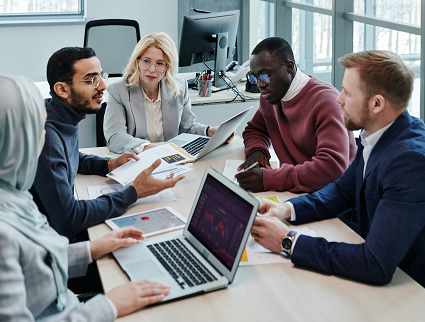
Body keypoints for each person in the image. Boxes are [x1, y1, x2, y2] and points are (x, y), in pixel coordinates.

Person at [0, 75, 170, 322]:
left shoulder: (14, 195)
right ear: (15, 139)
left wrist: (92, 249)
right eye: (37, 129)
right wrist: (108, 305)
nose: (44, 140)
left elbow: (36, 263)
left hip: (70, 307)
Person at [251, 50, 425, 287]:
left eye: (348, 93)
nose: (338, 98)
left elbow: (374, 265)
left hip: (411, 290)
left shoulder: (409, 163)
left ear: (377, 104)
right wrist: (285, 210)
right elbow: (342, 192)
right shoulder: (377, 132)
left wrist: (287, 241)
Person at [30, 47, 184, 240]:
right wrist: (133, 193)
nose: (103, 85)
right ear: (62, 89)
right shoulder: (48, 136)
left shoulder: (59, 113)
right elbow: (68, 219)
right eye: (91, 79)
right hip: (49, 245)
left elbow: (70, 155)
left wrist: (107, 164)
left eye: (101, 75)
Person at [235, 37, 356, 193]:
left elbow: (332, 167)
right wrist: (257, 151)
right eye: (254, 77)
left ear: (288, 67)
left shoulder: (326, 102)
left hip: (333, 198)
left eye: (265, 76)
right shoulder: (271, 96)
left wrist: (271, 179)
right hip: (297, 192)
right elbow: (256, 130)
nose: (260, 85)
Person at [103, 32, 233, 154]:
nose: (152, 69)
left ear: (168, 67)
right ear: (137, 62)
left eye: (160, 63)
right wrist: (149, 148)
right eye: (146, 61)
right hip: (136, 159)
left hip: (170, 160)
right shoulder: (118, 91)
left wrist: (210, 131)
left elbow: (187, 128)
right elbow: (115, 136)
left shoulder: (179, 87)